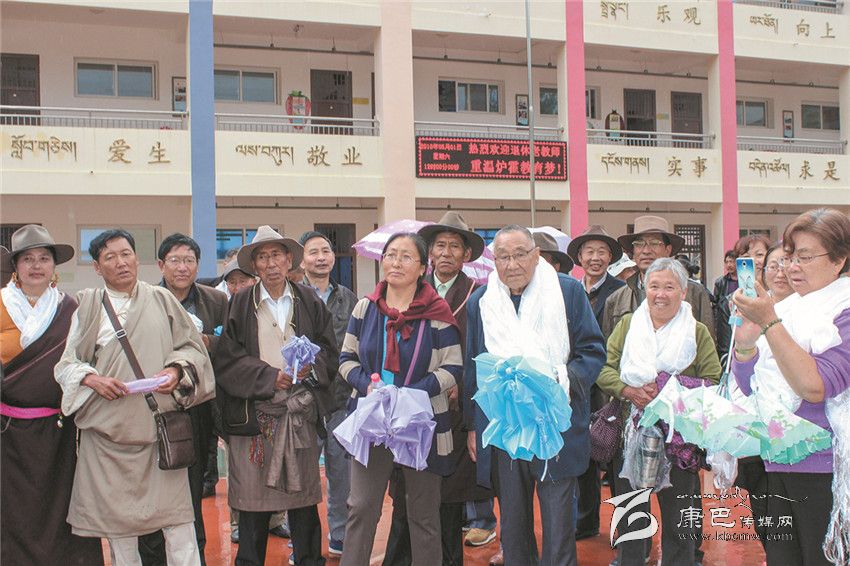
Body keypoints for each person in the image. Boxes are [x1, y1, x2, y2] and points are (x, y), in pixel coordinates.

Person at [54, 228, 215, 566]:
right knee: (121, 536)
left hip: (159, 435)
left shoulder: (162, 300)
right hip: (108, 439)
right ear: (97, 267)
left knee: (180, 529)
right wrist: (92, 379)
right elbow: (66, 364)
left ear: (137, 259)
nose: (121, 262)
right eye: (110, 257)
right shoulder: (88, 306)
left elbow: (192, 349)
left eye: (126, 254)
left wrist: (176, 371)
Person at [465, 225, 606, 566]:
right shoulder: (481, 301)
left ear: (536, 255)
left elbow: (592, 351)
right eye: (503, 257)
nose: (512, 264)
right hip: (504, 424)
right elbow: (473, 366)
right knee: (513, 519)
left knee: (558, 520)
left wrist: (558, 380)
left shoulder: (566, 291)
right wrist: (472, 426)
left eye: (520, 255)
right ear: (493, 261)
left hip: (554, 422)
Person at [214, 225, 338, 566]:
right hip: (257, 416)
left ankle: (309, 559)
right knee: (253, 502)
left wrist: (309, 368)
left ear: (288, 260)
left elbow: (330, 349)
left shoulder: (308, 300)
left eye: (277, 256)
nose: (271, 264)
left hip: (298, 414)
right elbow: (227, 359)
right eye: (263, 257)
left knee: (303, 499)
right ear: (254, 265)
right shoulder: (240, 302)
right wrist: (270, 377)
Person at [732, 208, 850, 566]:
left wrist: (770, 323)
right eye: (790, 256)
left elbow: (815, 386)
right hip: (777, 459)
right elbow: (753, 387)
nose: (792, 267)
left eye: (806, 257)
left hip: (825, 468)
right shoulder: (790, 309)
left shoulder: (843, 310)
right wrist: (746, 346)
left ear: (839, 260)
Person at [339, 232, 463, 566]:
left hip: (420, 422)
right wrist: (367, 387)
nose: (396, 262)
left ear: (423, 267)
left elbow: (453, 366)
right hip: (373, 420)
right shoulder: (366, 308)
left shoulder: (437, 312)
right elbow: (346, 359)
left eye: (406, 257)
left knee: (423, 513)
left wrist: (413, 394)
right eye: (391, 255)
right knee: (361, 507)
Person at [381, 213, 493, 566]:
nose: (446, 253)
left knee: (448, 497)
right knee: (406, 494)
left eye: (454, 246)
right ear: (428, 253)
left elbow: (482, 350)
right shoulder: (411, 288)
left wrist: (460, 384)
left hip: (455, 409)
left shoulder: (478, 295)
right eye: (440, 245)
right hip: (410, 407)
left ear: (466, 255)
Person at [596, 258, 722, 566]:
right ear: (645, 289)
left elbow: (714, 380)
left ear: (683, 292)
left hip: (679, 438)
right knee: (631, 515)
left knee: (680, 518)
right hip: (631, 432)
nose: (661, 294)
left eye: (669, 287)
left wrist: (669, 388)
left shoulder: (696, 331)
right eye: (654, 286)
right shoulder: (628, 325)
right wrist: (628, 390)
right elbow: (604, 368)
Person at [1, 225, 104, 566]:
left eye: (44, 258)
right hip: (8, 433)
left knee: (60, 507)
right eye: (27, 259)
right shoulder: (0, 304)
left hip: (59, 432)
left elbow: (85, 360)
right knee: (12, 511)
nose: (36, 266)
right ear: (15, 267)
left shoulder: (70, 308)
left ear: (54, 266)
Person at [137, 233, 229, 566]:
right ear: (161, 264)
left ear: (198, 265)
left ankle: (194, 557)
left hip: (198, 408)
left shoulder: (216, 301)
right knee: (152, 490)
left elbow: (231, 345)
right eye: (175, 260)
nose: (182, 267)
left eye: (189, 260)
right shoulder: (143, 300)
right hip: (155, 409)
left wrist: (205, 342)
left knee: (191, 491)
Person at [298, 230, 358, 557]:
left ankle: (340, 537)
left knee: (341, 473)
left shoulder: (349, 298)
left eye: (326, 250)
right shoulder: (293, 296)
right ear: (302, 260)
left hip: (340, 400)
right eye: (313, 252)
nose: (321, 257)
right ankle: (303, 544)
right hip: (304, 401)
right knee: (302, 477)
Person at [566, 224, 627, 541]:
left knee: (616, 459)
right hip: (577, 386)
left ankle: (625, 531)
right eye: (589, 251)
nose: (595, 257)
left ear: (610, 258)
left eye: (602, 252)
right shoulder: (569, 290)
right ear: (579, 257)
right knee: (582, 455)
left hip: (609, 388)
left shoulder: (621, 291)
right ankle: (586, 521)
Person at [602, 215, 715, 341]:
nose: (646, 250)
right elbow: (609, 349)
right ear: (633, 251)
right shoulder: (616, 299)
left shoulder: (695, 293)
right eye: (639, 244)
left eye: (654, 243)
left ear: (668, 250)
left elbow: (707, 343)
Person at [715, 234, 772, 364]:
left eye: (759, 255)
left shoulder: (781, 297)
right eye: (746, 257)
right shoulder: (731, 303)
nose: (753, 261)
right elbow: (725, 348)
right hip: (743, 367)